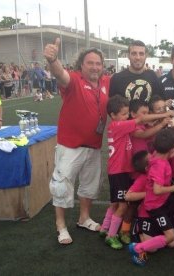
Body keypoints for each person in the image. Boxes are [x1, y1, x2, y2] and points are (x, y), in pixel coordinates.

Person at [44, 38, 110, 245]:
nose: (94, 67)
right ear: (81, 64)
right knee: (62, 186)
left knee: (89, 186)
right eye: (90, 63)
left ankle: (84, 218)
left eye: (98, 63)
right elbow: (59, 74)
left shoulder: (106, 82)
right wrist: (53, 60)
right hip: (70, 146)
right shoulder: (73, 80)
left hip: (94, 145)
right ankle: (61, 225)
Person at [102, 95, 174, 250]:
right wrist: (164, 116)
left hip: (119, 170)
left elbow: (144, 123)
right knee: (122, 206)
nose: (126, 116)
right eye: (123, 114)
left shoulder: (118, 124)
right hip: (118, 172)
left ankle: (104, 228)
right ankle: (111, 236)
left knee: (116, 203)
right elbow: (141, 121)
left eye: (127, 113)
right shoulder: (118, 125)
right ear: (113, 116)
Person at [128, 128, 174, 267]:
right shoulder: (160, 165)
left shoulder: (156, 154)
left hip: (165, 199)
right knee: (170, 238)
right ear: (172, 149)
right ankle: (137, 248)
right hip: (156, 206)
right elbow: (157, 190)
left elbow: (161, 142)